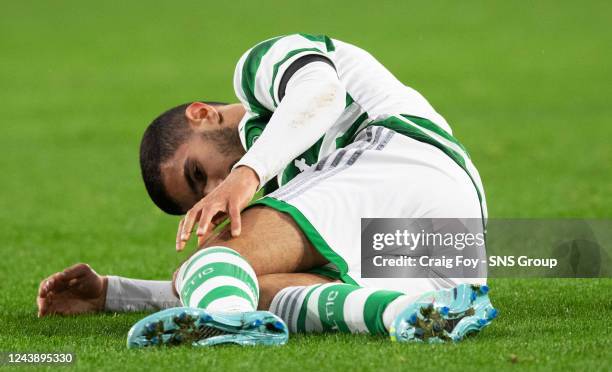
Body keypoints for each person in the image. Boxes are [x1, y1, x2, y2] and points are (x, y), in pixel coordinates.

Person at [37, 34, 495, 346]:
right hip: (452, 247)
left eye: (199, 173)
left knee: (209, 260)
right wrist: (112, 294)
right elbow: (218, 279)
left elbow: (322, 92)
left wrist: (245, 174)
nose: (215, 189)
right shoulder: (286, 176)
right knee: (250, 287)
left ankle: (231, 327)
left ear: (201, 114)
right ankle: (410, 313)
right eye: (204, 193)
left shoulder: (258, 69)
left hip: (400, 155)